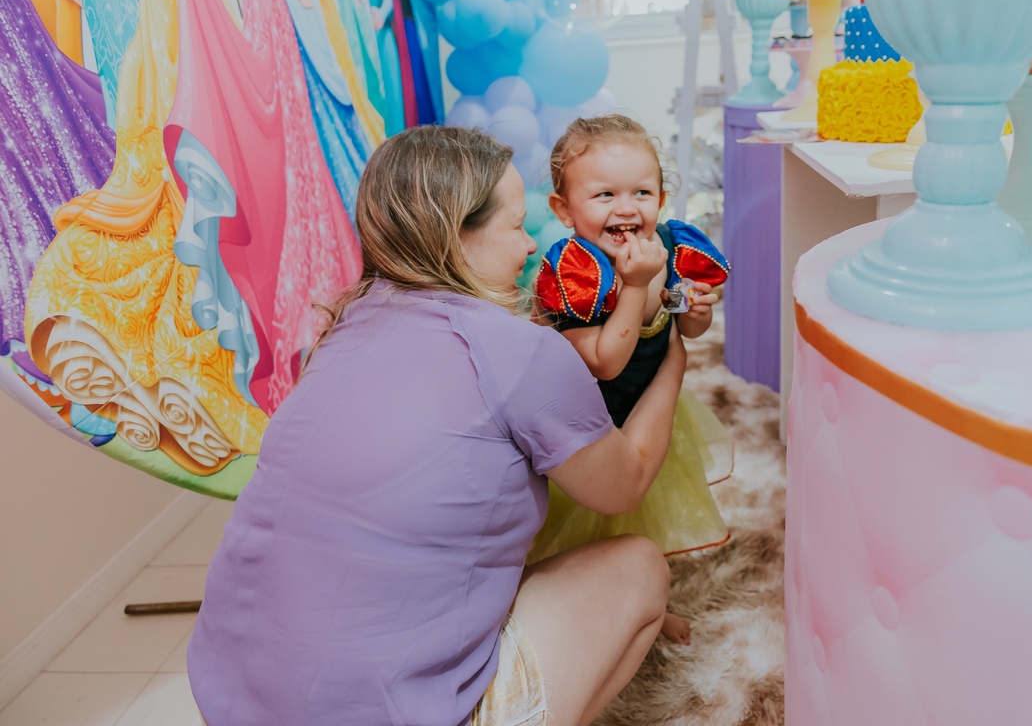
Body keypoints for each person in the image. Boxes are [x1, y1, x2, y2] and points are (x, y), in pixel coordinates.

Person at [187, 126, 686, 726]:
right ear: (458, 237)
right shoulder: (520, 351)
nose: (532, 246)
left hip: (230, 698)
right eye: (516, 226)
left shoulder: (339, 333)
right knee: (639, 565)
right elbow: (623, 482)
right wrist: (674, 359)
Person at [529, 114, 733, 645]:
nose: (627, 207)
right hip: (588, 420)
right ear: (564, 210)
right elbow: (604, 361)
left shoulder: (671, 248)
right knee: (579, 524)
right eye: (604, 195)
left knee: (646, 514)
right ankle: (580, 604)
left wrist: (696, 309)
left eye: (642, 191)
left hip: (648, 406)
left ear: (661, 198)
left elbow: (690, 324)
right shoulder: (577, 269)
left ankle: (648, 599)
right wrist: (637, 285)